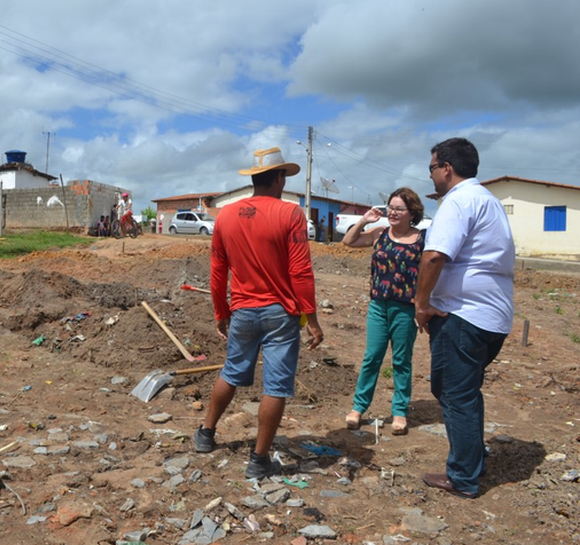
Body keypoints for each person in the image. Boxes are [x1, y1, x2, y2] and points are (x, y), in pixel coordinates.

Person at [193, 147, 324, 480]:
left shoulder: (225, 216)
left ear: (254, 178)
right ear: (279, 178)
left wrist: (221, 311)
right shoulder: (291, 215)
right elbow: (301, 271)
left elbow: (217, 271)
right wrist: (312, 319)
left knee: (232, 371)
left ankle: (206, 434)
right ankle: (258, 459)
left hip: (243, 311)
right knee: (276, 386)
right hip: (281, 313)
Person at [415, 137, 515, 499]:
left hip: (463, 315)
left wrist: (421, 303)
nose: (430, 176)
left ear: (446, 168)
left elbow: (434, 257)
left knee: (455, 393)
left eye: (431, 168)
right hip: (492, 315)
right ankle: (472, 459)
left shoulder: (458, 201)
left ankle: (463, 477)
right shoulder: (488, 200)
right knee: (464, 391)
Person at [342, 188, 426, 436]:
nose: (393, 212)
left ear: (412, 212)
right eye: (391, 207)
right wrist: (364, 220)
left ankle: (399, 412)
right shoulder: (379, 234)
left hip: (405, 308)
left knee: (401, 361)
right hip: (378, 306)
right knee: (372, 357)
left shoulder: (422, 239)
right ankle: (358, 408)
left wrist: (423, 306)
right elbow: (348, 241)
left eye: (399, 208)